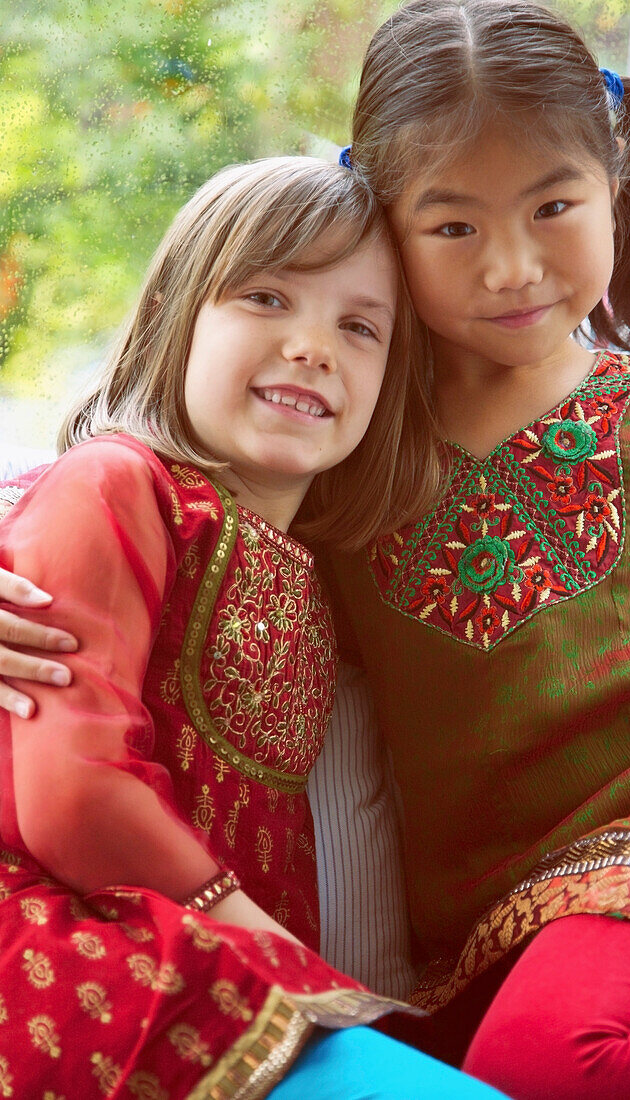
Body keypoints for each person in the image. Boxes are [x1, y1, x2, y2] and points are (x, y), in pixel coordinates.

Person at [4, 2, 630, 1096]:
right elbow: (119, 483)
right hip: (481, 921)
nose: (510, 267)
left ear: (613, 189)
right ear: (387, 228)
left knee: (547, 1060)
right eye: (453, 228)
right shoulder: (344, 441)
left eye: (553, 206)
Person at [0, 155, 508, 1099]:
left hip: (215, 965)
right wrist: (280, 956)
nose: (314, 346)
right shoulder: (114, 483)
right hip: (85, 953)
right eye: (268, 297)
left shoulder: (326, 584)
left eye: (359, 327)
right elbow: (76, 796)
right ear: (173, 317)